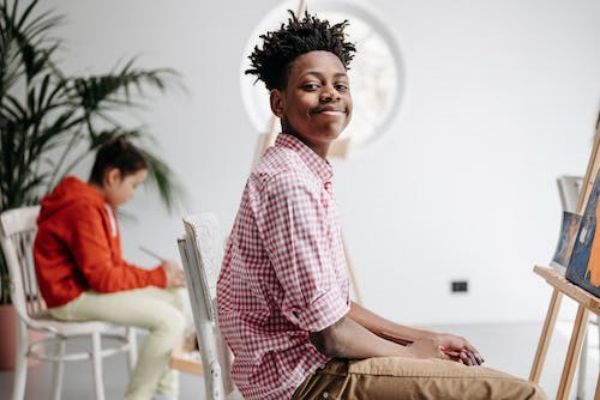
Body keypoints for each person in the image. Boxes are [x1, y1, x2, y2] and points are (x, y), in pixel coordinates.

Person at [216, 11, 546, 400]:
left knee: (480, 378)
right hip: (304, 382)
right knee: (523, 395)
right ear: (279, 103)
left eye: (340, 84)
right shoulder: (289, 184)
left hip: (308, 368)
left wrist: (423, 338)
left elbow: (335, 308)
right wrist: (412, 355)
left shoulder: (300, 172)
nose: (331, 94)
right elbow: (330, 335)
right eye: (311, 85)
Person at [34, 138, 186, 400]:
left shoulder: (101, 206)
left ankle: (163, 393)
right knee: (171, 321)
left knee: (177, 298)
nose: (133, 193)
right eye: (134, 185)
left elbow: (112, 266)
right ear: (113, 176)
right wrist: (157, 276)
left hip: (87, 289)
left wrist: (160, 276)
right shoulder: (84, 209)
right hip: (70, 298)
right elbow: (104, 278)